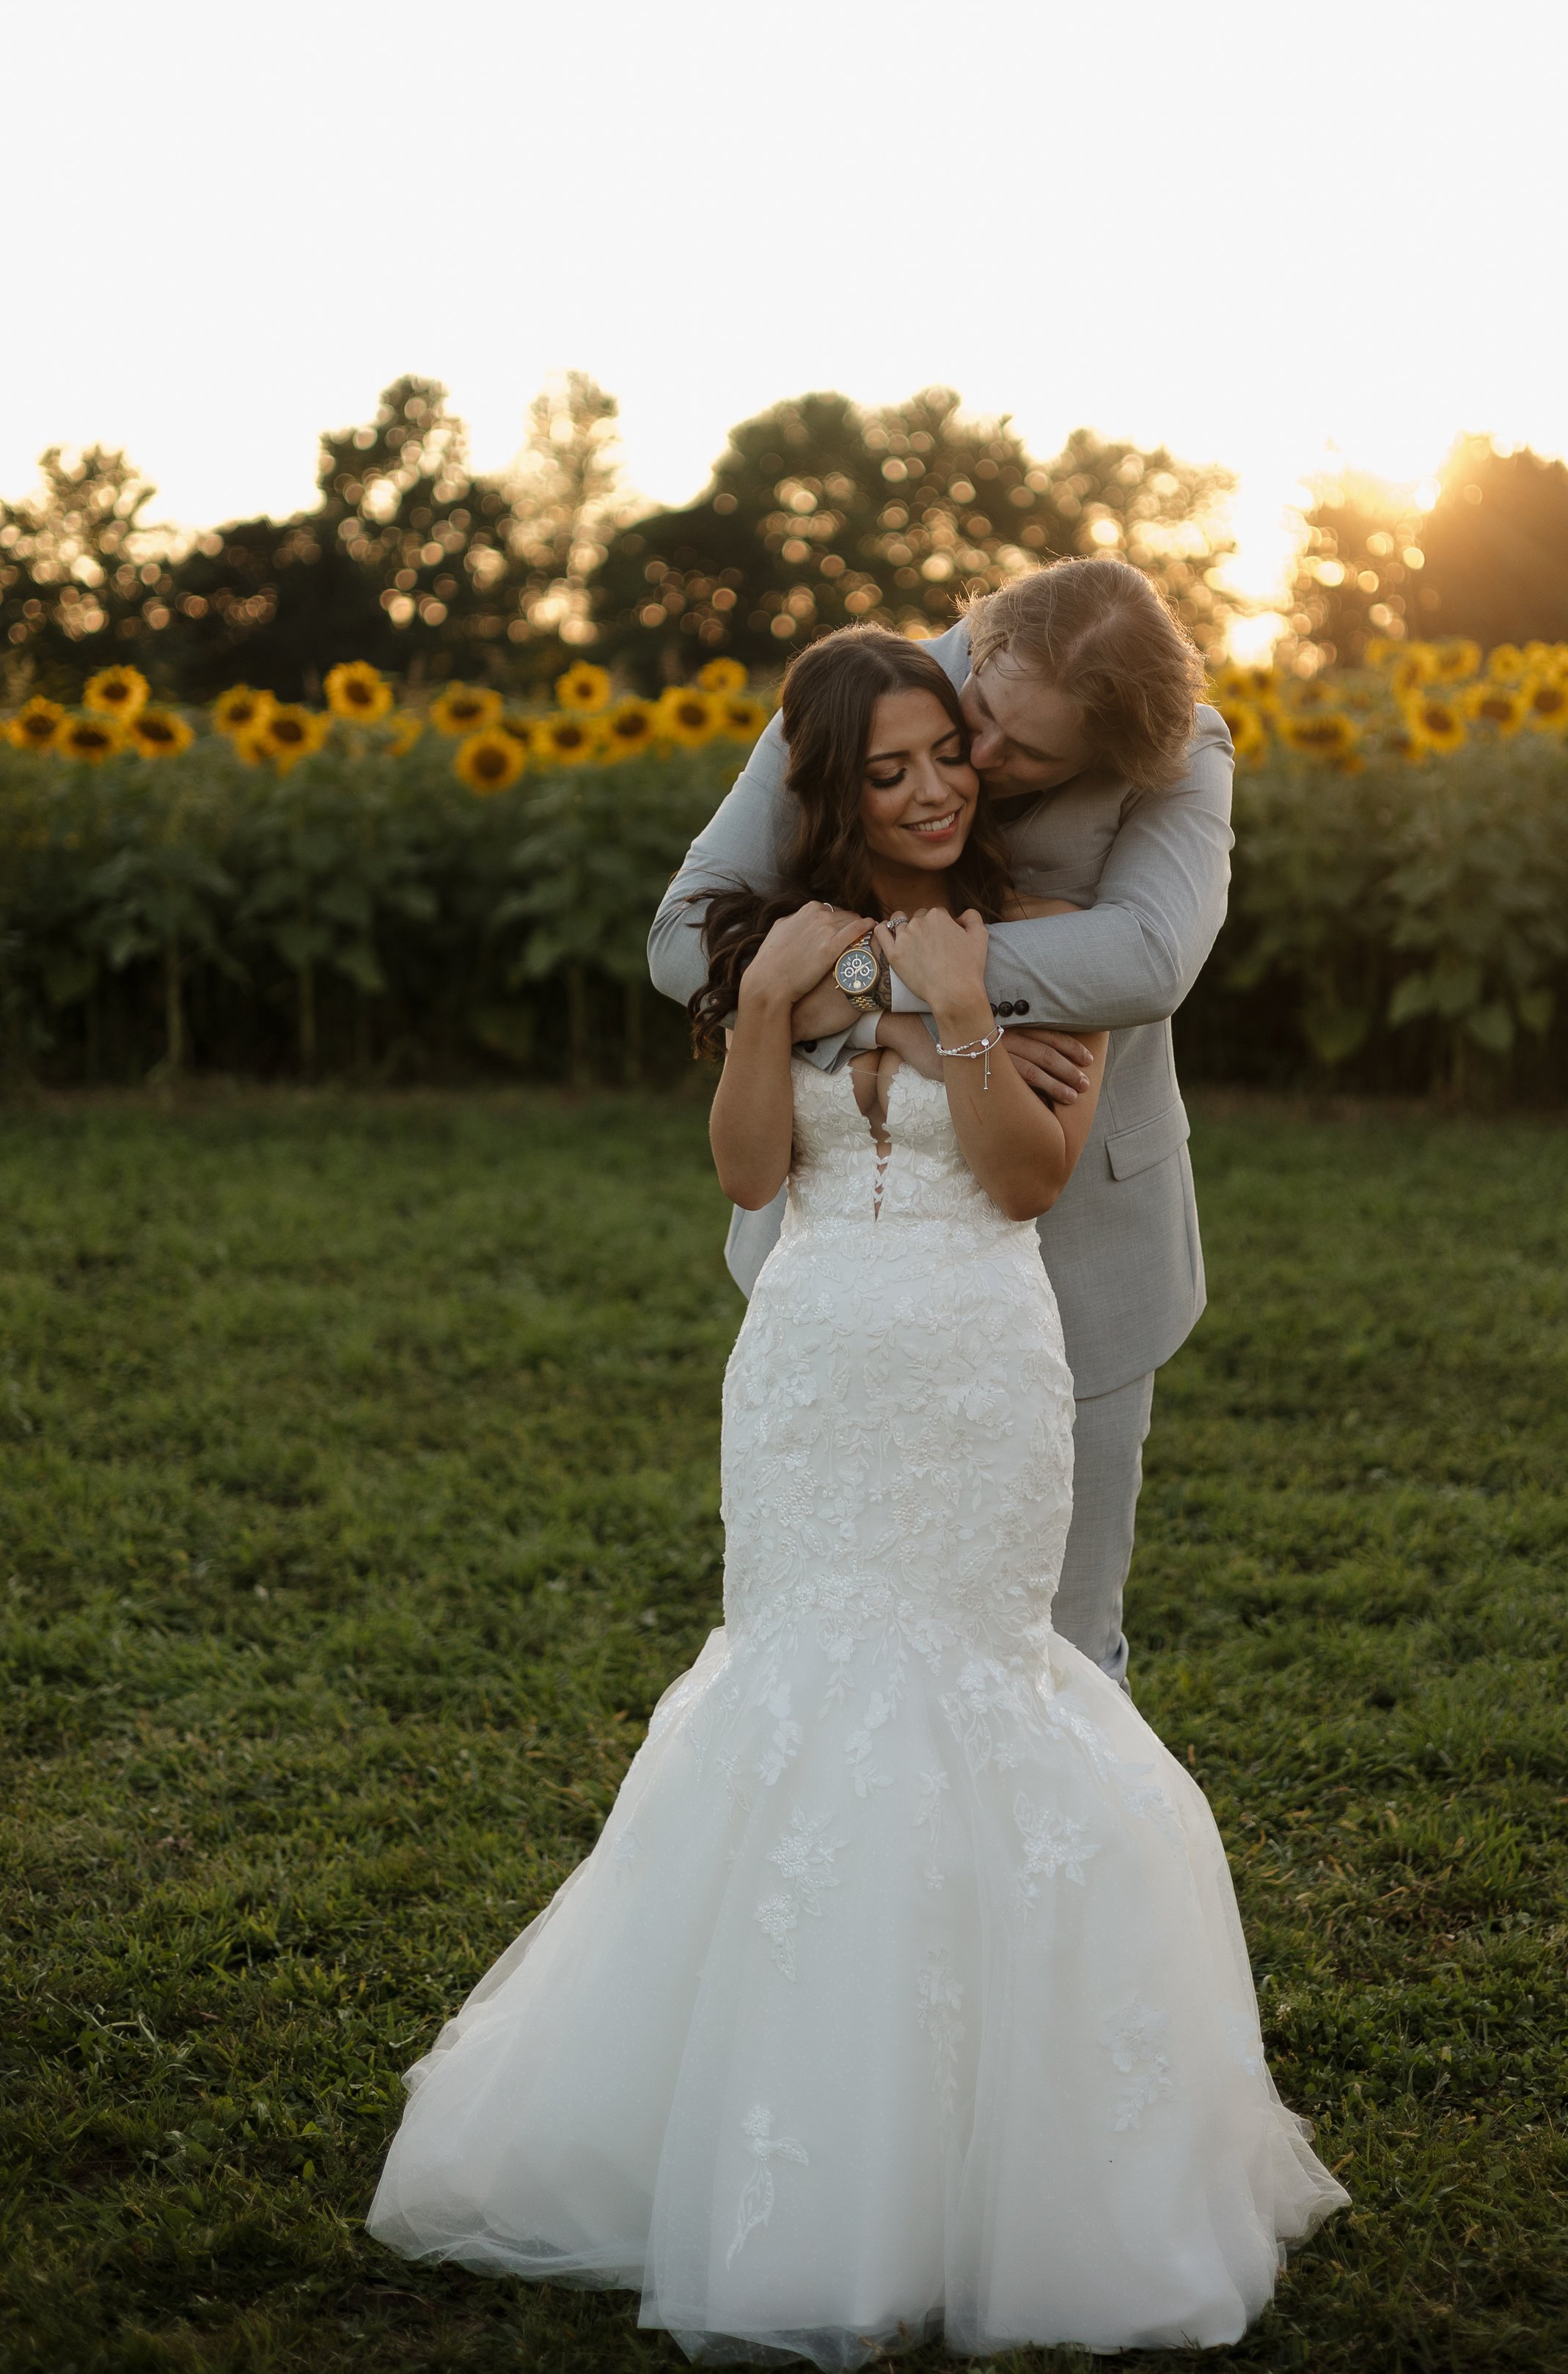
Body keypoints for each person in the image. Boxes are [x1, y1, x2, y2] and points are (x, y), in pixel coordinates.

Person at [367, 626, 1346, 2357]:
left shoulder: (1028, 949)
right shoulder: (782, 936)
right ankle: (799, 2127)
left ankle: (1013, 2144)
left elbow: (1034, 1175)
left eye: (951, 759)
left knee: (997, 1674)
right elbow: (749, 1163)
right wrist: (765, 1004)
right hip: (814, 1360)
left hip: (979, 1355)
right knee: (794, 1685)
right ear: (834, 784)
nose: (934, 779)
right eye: (890, 767)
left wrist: (954, 1004)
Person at [649, 557, 1233, 1686]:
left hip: (1082, 1231)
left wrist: (886, 979)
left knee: (1057, 1637)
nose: (980, 766)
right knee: (826, 1626)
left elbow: (1149, 957)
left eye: (1033, 757)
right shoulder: (858, 698)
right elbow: (683, 938)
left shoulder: (1181, 749)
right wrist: (880, 1005)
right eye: (983, 720)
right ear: (986, 640)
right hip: (843, 1251)